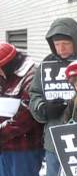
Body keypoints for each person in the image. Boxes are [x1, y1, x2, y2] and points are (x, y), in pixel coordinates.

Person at [29, 17, 77, 176]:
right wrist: (43, 108)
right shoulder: (46, 64)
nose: (61, 49)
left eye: (66, 43)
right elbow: (34, 94)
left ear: (76, 41)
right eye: (57, 44)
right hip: (54, 141)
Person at [0, 42, 44, 176]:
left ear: (8, 65)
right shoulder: (4, 75)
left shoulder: (31, 76)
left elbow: (26, 116)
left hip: (23, 148)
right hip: (4, 146)